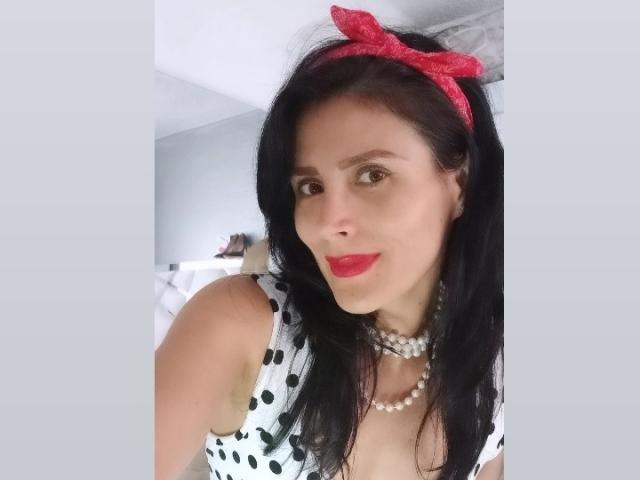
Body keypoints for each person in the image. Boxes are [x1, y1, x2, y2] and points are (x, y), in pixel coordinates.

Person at [155, 5, 504, 480]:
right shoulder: (242, 323)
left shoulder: (495, 363)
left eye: (372, 174)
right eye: (311, 187)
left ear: (459, 184)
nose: (325, 224)